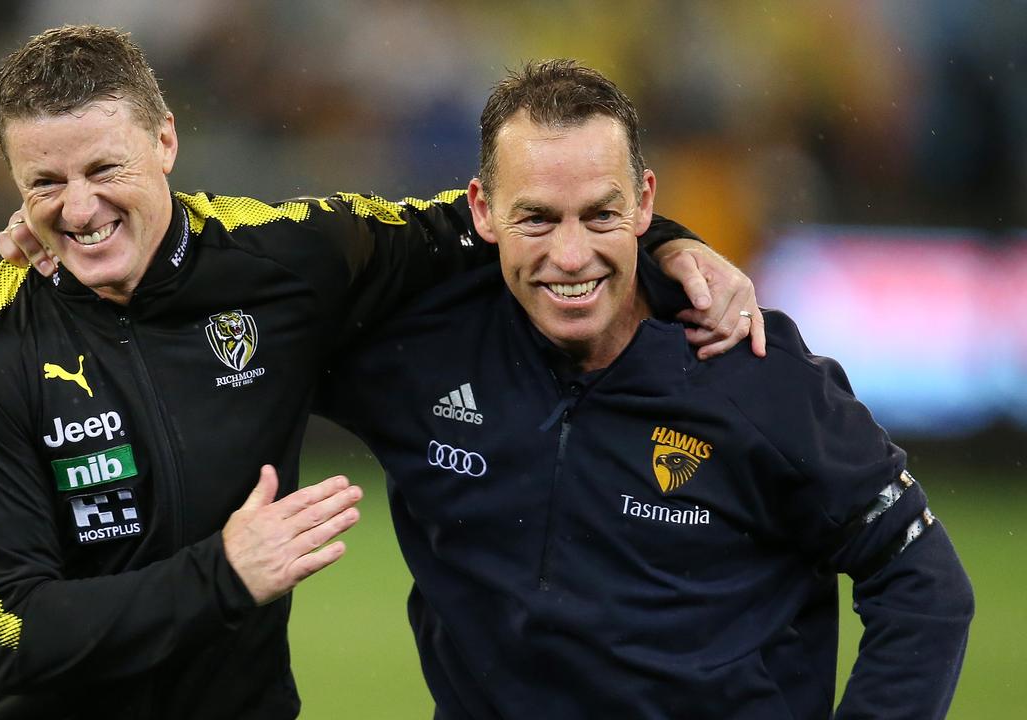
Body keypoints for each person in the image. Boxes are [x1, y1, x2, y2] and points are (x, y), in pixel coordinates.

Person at [0, 25, 758, 719]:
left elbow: (503, 217)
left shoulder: (287, 258)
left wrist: (665, 239)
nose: (78, 209)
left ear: (166, 141)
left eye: (104, 170)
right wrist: (223, 575)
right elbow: (1, 630)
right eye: (46, 182)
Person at [318, 60, 974, 719]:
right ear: (483, 210)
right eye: (538, 219)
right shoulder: (425, 352)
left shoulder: (753, 368)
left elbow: (921, 583)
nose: (571, 256)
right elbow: (248, 339)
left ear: (645, 202)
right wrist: (221, 572)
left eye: (601, 215)